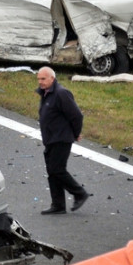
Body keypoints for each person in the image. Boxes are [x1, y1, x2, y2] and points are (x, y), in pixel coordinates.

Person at [36, 66, 90, 214]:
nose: (40, 82)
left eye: (43, 79)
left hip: (61, 139)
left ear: (52, 78)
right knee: (52, 172)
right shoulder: (46, 94)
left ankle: (79, 193)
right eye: (39, 79)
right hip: (50, 139)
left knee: (57, 170)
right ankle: (58, 205)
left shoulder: (61, 93)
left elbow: (76, 115)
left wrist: (75, 133)